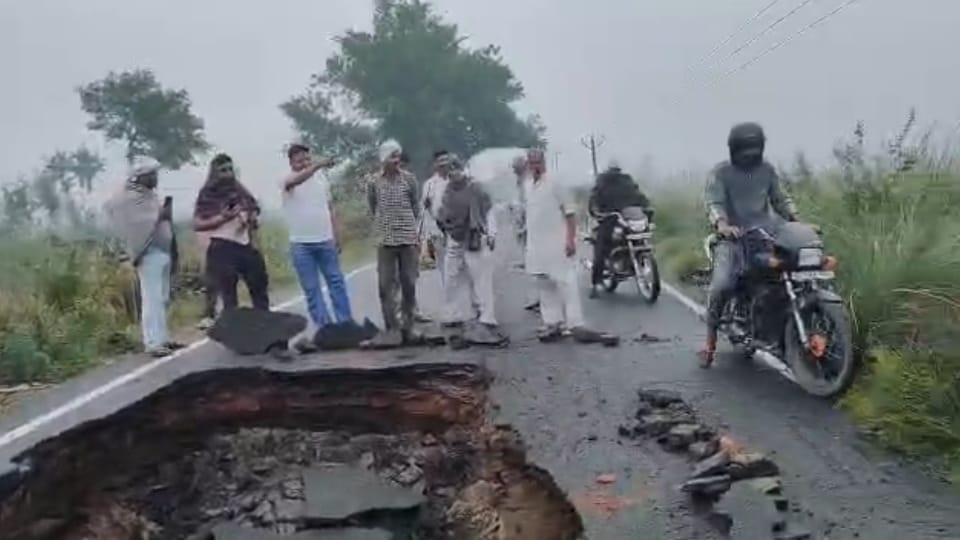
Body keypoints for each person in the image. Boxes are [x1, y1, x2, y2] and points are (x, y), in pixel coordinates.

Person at [700, 122, 798, 368]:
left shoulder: (767, 170)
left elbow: (780, 200)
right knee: (722, 285)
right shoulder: (721, 173)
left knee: (793, 271)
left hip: (766, 235)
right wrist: (722, 224)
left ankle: (781, 329)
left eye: (755, 150)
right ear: (734, 149)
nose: (750, 156)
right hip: (733, 238)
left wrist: (797, 221)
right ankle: (709, 340)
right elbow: (714, 202)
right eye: (745, 151)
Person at [104, 157, 184, 357]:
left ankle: (163, 338)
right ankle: (153, 343)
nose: (155, 179)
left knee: (162, 297)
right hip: (148, 254)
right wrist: (159, 216)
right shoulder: (129, 198)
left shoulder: (149, 196)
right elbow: (129, 218)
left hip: (162, 250)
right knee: (152, 298)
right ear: (141, 178)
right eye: (151, 175)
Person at [523, 148, 598, 342]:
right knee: (544, 284)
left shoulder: (556, 183)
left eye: (538, 162)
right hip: (536, 244)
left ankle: (575, 324)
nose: (535, 166)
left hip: (557, 242)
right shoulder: (527, 185)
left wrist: (570, 239)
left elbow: (570, 213)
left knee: (566, 282)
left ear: (543, 162)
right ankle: (552, 323)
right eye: (531, 163)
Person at [281, 143, 353, 329]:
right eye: (299, 161)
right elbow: (296, 181)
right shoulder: (287, 180)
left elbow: (331, 208)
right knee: (312, 289)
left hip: (325, 239)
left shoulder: (321, 180)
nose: (304, 163)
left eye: (307, 159)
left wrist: (337, 233)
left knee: (336, 283)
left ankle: (345, 322)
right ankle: (325, 327)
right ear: (291, 162)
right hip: (301, 244)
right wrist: (317, 166)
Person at [193, 153, 270, 312]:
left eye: (230, 169)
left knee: (260, 292)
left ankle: (265, 331)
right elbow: (198, 223)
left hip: (246, 243)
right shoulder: (208, 193)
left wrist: (251, 217)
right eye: (223, 170)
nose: (228, 173)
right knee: (229, 299)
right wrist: (223, 217)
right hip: (222, 246)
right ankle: (233, 333)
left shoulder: (239, 189)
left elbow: (253, 208)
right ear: (215, 173)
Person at [436, 155, 501, 336]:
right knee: (451, 277)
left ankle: (487, 317)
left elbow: (488, 211)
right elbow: (443, 214)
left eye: (454, 170)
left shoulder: (476, 188)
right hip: (454, 237)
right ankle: (452, 314)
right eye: (449, 171)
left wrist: (491, 233)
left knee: (480, 278)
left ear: (462, 170)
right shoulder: (447, 191)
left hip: (474, 236)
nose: (452, 174)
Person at [366, 141, 421, 346]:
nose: (396, 160)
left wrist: (411, 230)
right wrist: (383, 225)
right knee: (385, 285)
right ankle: (392, 328)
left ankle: (409, 326)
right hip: (385, 241)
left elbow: (415, 206)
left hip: (407, 240)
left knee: (409, 284)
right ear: (383, 159)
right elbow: (372, 207)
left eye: (398, 156)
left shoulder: (409, 179)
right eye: (392, 157)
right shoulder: (373, 182)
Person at [587, 158, 651, 297]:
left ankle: (636, 264)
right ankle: (595, 283)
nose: (615, 173)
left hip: (628, 218)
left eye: (617, 170)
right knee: (601, 249)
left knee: (643, 234)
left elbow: (638, 195)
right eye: (613, 170)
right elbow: (594, 199)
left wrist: (646, 206)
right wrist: (597, 212)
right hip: (610, 218)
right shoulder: (602, 182)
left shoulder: (627, 181)